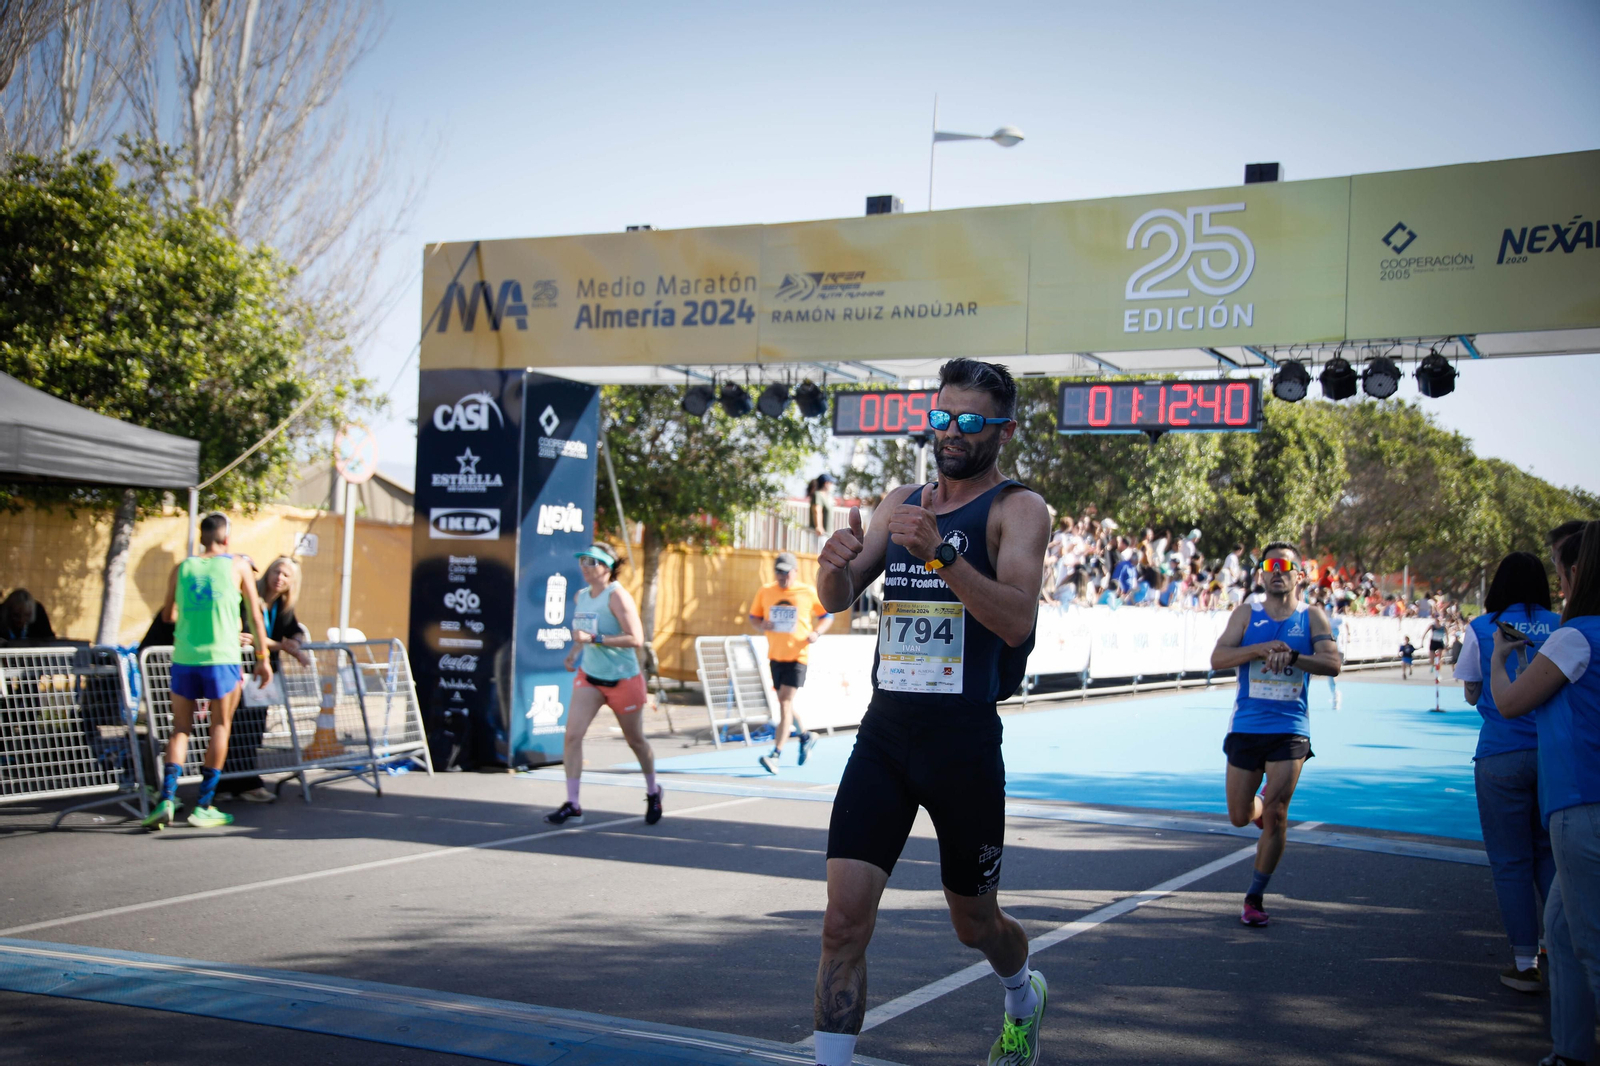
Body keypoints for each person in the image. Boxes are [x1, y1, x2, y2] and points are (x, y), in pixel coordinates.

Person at [810, 358, 1050, 1066]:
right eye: (943, 416)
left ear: (1002, 430)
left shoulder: (1018, 510)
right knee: (840, 923)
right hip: (886, 734)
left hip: (963, 743)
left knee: (974, 923)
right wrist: (832, 563)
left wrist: (943, 555)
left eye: (970, 421)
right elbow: (837, 595)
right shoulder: (900, 501)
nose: (951, 432)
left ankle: (1022, 992)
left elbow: (1014, 621)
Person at [1488, 523, 1600, 1066]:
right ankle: (1570, 1051)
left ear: (1578, 572)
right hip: (1577, 801)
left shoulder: (1575, 637)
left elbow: (1509, 703)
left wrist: (1498, 658)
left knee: (1592, 947)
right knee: (1560, 928)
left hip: (1581, 803)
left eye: (1561, 567)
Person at [1210, 543, 1343, 927]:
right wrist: (1260, 649)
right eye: (1269, 565)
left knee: (1278, 815)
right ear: (1261, 574)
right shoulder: (1245, 614)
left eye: (1286, 566)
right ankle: (1259, 807)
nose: (1277, 571)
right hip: (1248, 726)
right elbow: (1218, 659)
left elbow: (1333, 664)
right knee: (1239, 816)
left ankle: (1254, 896)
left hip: (1290, 729)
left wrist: (1295, 657)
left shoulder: (1312, 617)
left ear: (1300, 575)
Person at [1452, 552, 1561, 993]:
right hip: (1555, 754)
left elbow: (1471, 691)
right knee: (1552, 856)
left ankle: (1523, 962)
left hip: (1500, 753)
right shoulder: (1563, 623)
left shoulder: (1483, 626)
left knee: (1511, 861)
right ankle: (1562, 946)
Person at [141, 513, 271, 830]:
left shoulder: (182, 567)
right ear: (226, 539)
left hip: (185, 657)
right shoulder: (238, 564)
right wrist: (262, 656)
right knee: (220, 727)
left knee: (180, 729)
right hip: (221, 657)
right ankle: (204, 805)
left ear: (202, 539)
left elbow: (169, 614)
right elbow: (255, 613)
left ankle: (167, 799)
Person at [546, 543, 661, 827]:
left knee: (635, 740)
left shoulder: (617, 597)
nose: (584, 567)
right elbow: (581, 634)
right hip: (590, 677)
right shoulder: (581, 596)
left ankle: (653, 791)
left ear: (606, 567)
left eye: (591, 562)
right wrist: (575, 653)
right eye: (582, 561)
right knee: (572, 736)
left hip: (623, 679)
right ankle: (573, 803)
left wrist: (595, 640)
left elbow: (636, 638)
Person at [221, 556, 313, 804]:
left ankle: (244, 781)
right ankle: (231, 782)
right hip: (243, 670)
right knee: (236, 725)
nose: (279, 578)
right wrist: (287, 647)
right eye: (276, 572)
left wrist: (296, 642)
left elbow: (294, 630)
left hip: (265, 673)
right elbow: (252, 637)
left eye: (285, 575)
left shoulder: (283, 605)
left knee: (254, 727)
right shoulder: (250, 598)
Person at [749, 550, 833, 774]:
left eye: (786, 573)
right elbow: (753, 617)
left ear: (795, 572)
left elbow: (827, 615)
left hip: (798, 655)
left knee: (785, 703)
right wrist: (761, 625)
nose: (782, 577)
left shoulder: (806, 592)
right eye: (778, 572)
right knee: (785, 703)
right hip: (775, 655)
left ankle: (775, 754)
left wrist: (816, 633)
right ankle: (805, 736)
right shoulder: (766, 591)